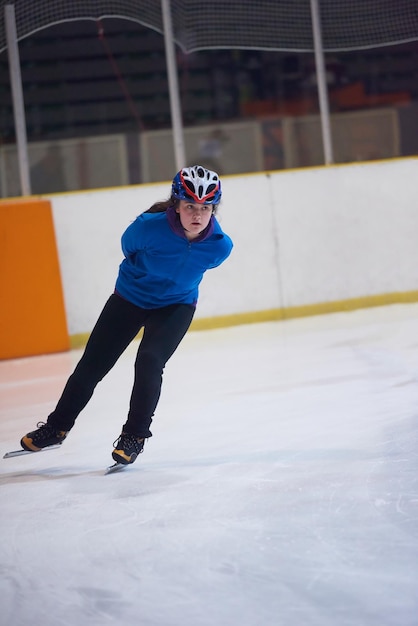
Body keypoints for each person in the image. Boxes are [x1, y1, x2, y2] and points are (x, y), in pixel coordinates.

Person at [20, 165, 233, 465]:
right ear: (176, 204)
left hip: (176, 306)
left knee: (149, 361)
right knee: (92, 366)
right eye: (189, 206)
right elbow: (127, 248)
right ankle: (56, 428)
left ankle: (134, 435)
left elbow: (199, 268)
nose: (197, 215)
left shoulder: (219, 246)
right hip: (130, 299)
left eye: (205, 208)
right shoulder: (147, 227)